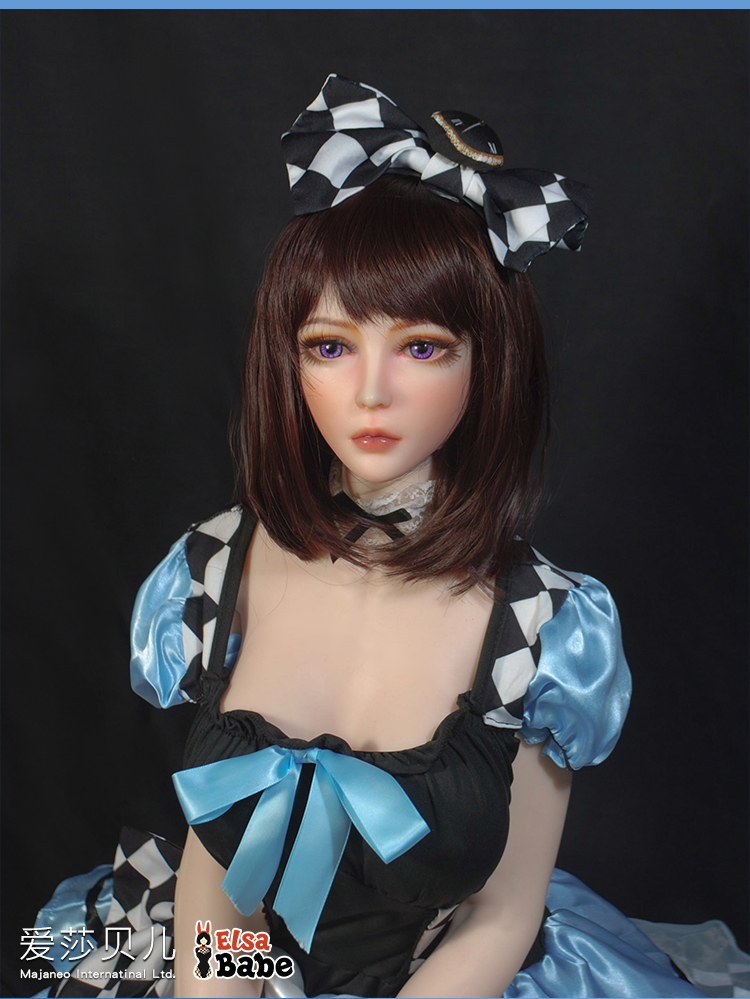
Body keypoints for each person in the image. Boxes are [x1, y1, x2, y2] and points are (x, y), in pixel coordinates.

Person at [33, 76, 719, 999]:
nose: (370, 392)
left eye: (422, 346)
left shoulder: (545, 626)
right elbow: (215, 875)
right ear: (288, 359)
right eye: (330, 345)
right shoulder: (211, 571)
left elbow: (503, 913)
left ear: (487, 362)